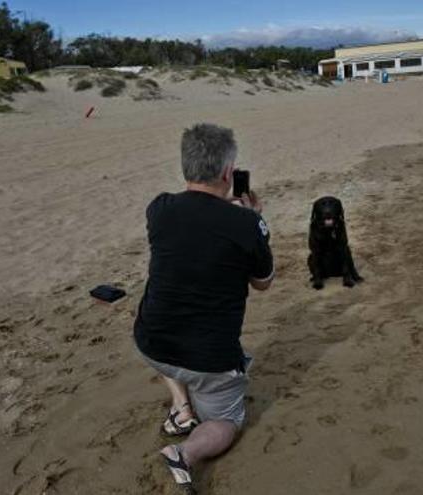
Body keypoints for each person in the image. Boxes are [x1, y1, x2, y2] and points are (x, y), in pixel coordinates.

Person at [133, 123, 273, 494]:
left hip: (152, 342)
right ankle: (185, 452)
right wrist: (257, 221)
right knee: (227, 421)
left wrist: (235, 216)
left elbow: (195, 226)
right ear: (229, 173)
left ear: (186, 167)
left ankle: (181, 408)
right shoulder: (246, 224)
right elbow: (262, 283)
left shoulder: (159, 209)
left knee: (164, 305)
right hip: (209, 358)